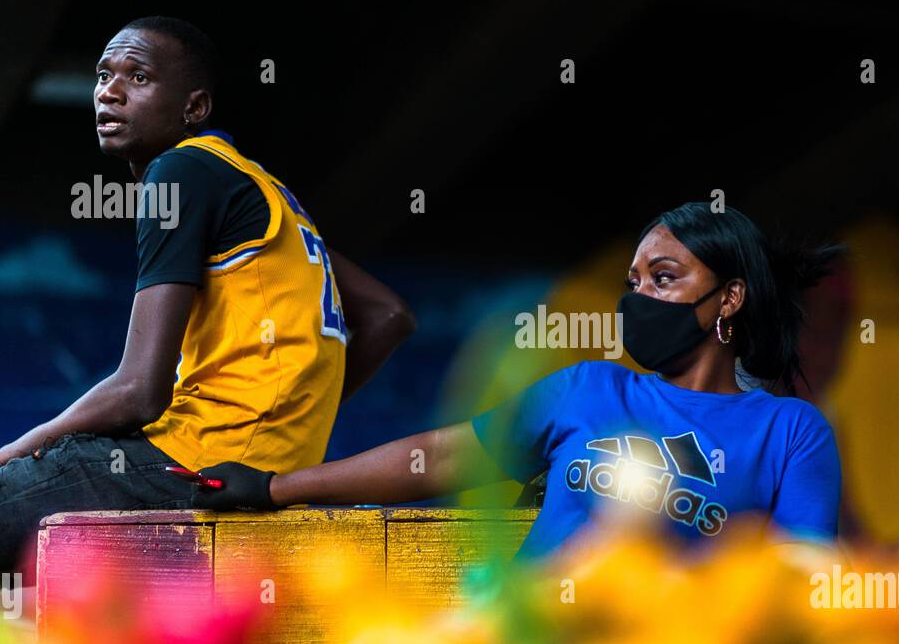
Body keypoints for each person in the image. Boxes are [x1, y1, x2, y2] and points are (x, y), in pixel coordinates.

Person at [0, 16, 415, 573]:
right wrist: (291, 415)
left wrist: (28, 442)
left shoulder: (182, 171)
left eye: (138, 77)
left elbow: (140, 390)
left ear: (194, 109)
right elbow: (389, 315)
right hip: (257, 475)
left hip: (190, 462)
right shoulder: (266, 194)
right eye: (103, 74)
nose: (109, 91)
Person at [193, 202, 843, 560]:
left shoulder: (790, 432)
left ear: (729, 300)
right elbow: (440, 458)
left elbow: (800, 577)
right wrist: (275, 487)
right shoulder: (589, 390)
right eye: (634, 283)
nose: (640, 298)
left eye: (665, 278)